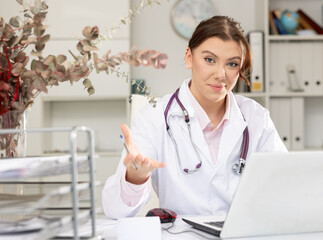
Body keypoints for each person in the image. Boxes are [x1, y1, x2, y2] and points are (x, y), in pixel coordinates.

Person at [102, 16, 287, 219]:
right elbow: (114, 210)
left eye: (232, 64)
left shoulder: (256, 117)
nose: (221, 74)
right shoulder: (154, 118)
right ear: (189, 57)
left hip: (241, 232)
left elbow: (286, 182)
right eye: (209, 60)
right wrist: (135, 178)